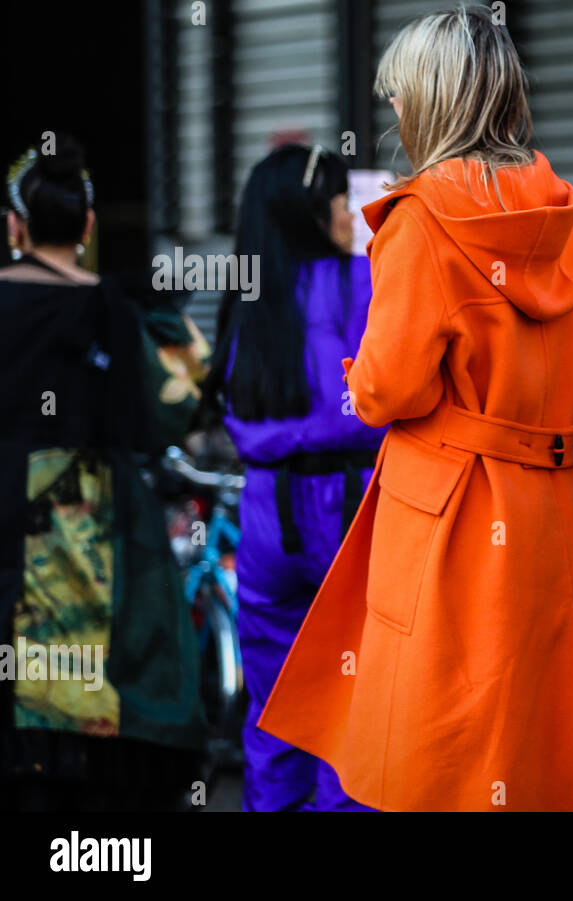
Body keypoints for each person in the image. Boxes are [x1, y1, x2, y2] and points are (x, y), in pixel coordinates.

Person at [256, 7, 573, 811]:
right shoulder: (565, 207)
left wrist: (357, 367)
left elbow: (388, 389)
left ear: (433, 99)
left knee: (439, 756)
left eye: (399, 94)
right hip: (549, 507)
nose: (392, 110)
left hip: (450, 512)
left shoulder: (422, 217)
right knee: (529, 746)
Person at [0, 136, 205, 810]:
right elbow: (177, 407)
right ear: (88, 228)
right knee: (97, 717)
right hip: (102, 526)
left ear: (14, 226)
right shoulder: (121, 310)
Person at [204, 143, 382, 812]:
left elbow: (231, 407)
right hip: (351, 511)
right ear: (315, 209)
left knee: (274, 707)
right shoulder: (362, 280)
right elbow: (381, 400)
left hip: (265, 517)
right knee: (352, 705)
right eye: (341, 200)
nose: (350, 212)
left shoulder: (249, 296)